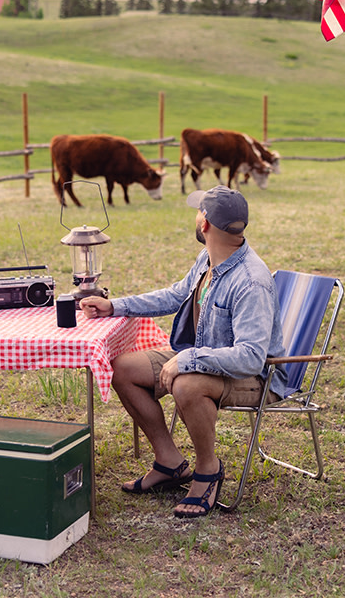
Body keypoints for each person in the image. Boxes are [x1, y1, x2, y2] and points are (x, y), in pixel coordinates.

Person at [80, 186, 284, 518]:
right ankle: (169, 462)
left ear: (205, 224)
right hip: (208, 358)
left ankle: (208, 469)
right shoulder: (209, 258)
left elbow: (250, 357)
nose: (196, 216)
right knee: (122, 369)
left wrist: (187, 359)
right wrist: (114, 306)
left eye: (199, 211)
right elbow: (176, 295)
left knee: (186, 384)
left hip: (255, 377)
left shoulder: (251, 281)